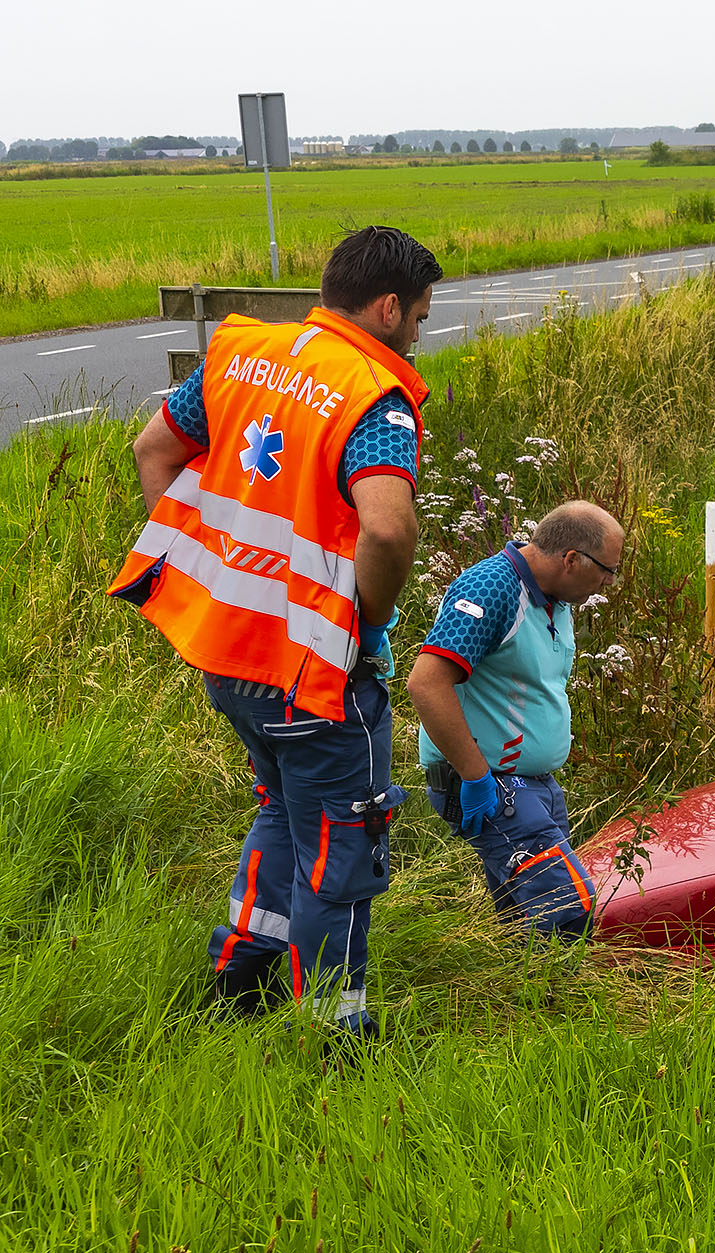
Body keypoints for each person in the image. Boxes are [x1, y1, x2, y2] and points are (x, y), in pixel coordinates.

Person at [108, 225, 443, 1036]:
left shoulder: (239, 354)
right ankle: (332, 1032)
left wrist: (202, 571)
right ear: (389, 308)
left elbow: (154, 450)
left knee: (286, 813)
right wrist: (367, 621)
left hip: (227, 655)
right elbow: (388, 528)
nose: (418, 335)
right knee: (342, 849)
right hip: (313, 673)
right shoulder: (373, 395)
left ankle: (240, 979)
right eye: (420, 318)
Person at [406, 502, 623, 937]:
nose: (609, 583)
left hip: (536, 786)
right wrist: (475, 778)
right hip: (495, 785)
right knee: (567, 908)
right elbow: (426, 684)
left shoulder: (556, 598)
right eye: (607, 570)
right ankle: (560, 985)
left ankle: (519, 983)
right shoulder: (491, 589)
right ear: (571, 559)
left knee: (520, 923)